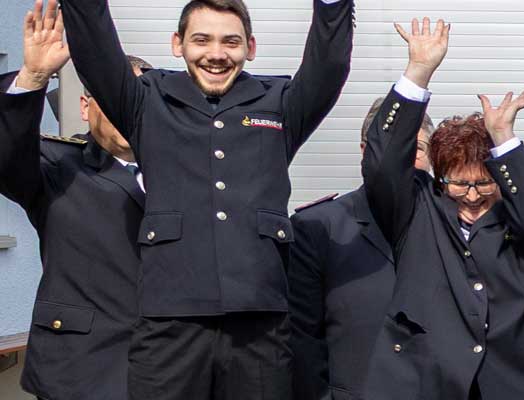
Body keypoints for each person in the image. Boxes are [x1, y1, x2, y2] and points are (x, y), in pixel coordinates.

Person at [58, 0, 352, 395]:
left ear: (250, 46)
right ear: (177, 44)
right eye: (201, 40)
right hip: (170, 323)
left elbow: (329, 68)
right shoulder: (146, 100)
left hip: (260, 324)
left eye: (230, 42)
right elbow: (96, 54)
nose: (216, 54)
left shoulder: (279, 101)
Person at [355, 20, 524, 399]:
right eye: (459, 184)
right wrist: (418, 72)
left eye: (484, 184)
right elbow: (381, 162)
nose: (472, 196)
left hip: (520, 381)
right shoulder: (417, 208)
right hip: (430, 381)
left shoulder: (519, 211)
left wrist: (504, 140)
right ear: (439, 178)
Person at [282, 19, 438, 400]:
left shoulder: (456, 221)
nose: (405, 161)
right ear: (365, 153)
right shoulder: (317, 227)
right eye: (393, 149)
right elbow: (303, 338)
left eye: (416, 149)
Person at [6, 3, 140, 397]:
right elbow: (6, 156)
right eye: (110, 98)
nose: (123, 111)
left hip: (167, 372)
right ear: (85, 106)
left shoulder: (180, 171)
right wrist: (32, 77)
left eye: (132, 99)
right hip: (80, 373)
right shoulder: (56, 163)